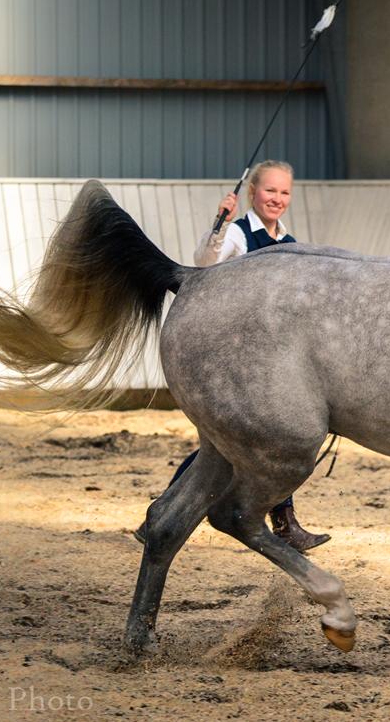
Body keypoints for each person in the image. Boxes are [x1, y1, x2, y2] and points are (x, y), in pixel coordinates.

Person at [140, 160, 332, 550]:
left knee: (233, 447)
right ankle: (281, 522)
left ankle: (162, 514)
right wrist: (220, 223)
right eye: (270, 190)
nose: (277, 198)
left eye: (284, 192)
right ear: (252, 193)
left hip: (274, 355)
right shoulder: (238, 235)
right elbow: (204, 263)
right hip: (237, 354)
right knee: (249, 442)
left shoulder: (291, 244)